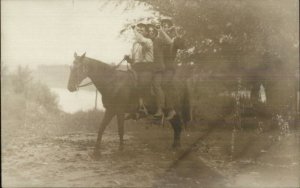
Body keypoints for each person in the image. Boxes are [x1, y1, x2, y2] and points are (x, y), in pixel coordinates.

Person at [124, 23, 154, 119]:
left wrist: (134, 30)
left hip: (146, 67)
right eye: (138, 30)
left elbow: (141, 39)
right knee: (128, 84)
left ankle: (142, 108)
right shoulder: (134, 44)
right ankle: (132, 109)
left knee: (142, 84)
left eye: (141, 30)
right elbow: (133, 58)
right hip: (136, 67)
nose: (139, 31)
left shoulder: (148, 41)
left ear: (146, 32)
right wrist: (128, 58)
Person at [160, 19, 185, 120]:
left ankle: (170, 109)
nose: (165, 27)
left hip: (168, 66)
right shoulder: (159, 39)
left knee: (165, 83)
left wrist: (176, 32)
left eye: (167, 26)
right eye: (163, 25)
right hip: (158, 66)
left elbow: (182, 46)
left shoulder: (174, 40)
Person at [146, 24, 173, 117]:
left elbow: (169, 42)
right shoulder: (147, 42)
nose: (151, 33)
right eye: (149, 32)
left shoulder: (158, 40)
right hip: (148, 69)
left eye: (152, 31)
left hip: (158, 69)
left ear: (155, 32)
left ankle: (160, 109)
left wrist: (160, 30)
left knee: (156, 86)